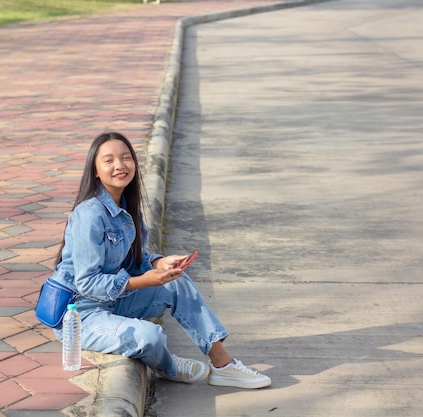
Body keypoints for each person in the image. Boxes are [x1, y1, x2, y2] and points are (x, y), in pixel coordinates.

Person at [51, 131, 271, 389]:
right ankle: (170, 366)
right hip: (81, 315)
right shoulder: (89, 215)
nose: (120, 165)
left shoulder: (127, 208)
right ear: (96, 171)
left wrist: (159, 264)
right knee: (150, 337)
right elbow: (88, 283)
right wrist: (143, 281)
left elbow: (137, 259)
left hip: (114, 302)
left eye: (126, 158)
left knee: (177, 282)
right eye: (109, 160)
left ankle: (223, 364)